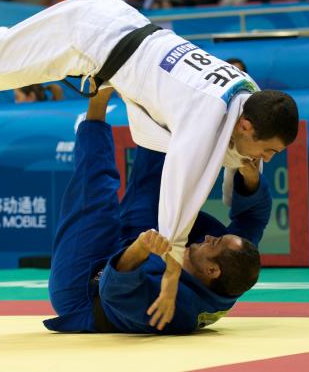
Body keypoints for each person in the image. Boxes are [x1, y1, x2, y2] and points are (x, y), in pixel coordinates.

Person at [0, 0, 299, 326]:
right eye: (268, 151)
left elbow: (211, 139)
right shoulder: (207, 119)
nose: (265, 159)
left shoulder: (248, 92)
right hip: (92, 40)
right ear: (247, 126)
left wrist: (242, 162)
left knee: (8, 48)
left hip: (112, 21)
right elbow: (181, 184)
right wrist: (174, 267)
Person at [44, 88, 271, 333]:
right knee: (164, 167)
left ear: (212, 270)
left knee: (94, 193)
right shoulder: (235, 261)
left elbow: (113, 293)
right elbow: (253, 218)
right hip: (150, 244)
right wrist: (251, 181)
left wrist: (139, 249)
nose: (208, 237)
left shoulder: (176, 308)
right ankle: (157, 96)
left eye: (213, 243)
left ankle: (98, 97)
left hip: (87, 290)